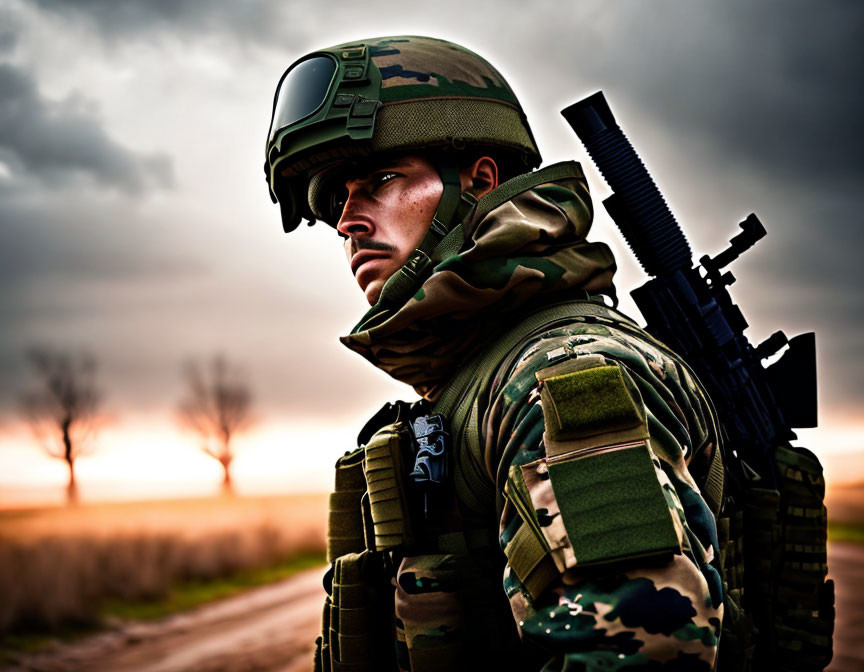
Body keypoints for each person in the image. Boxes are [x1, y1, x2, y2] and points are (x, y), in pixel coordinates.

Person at [265, 36, 725, 671]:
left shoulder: (562, 374)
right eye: (341, 198)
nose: (348, 220)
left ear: (479, 183)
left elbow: (638, 654)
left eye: (380, 181)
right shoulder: (479, 371)